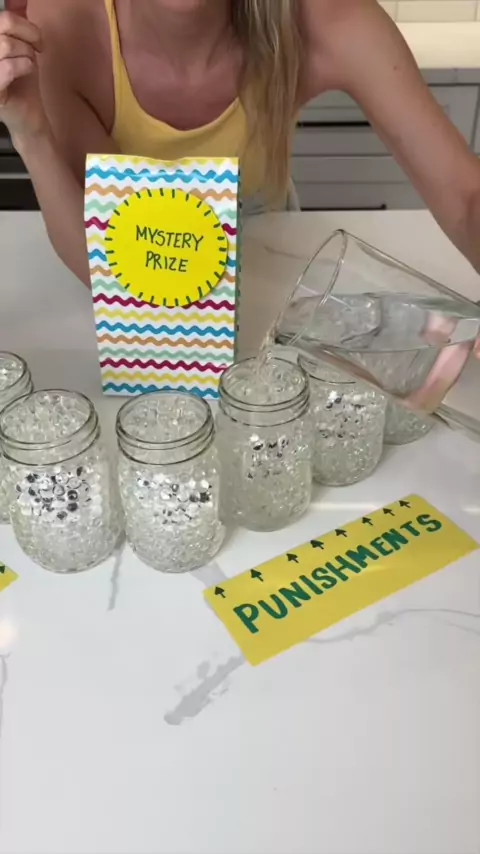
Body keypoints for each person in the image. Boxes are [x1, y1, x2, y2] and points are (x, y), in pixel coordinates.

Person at [1, 0, 480, 288]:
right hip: (132, 261)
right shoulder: (63, 22)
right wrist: (29, 130)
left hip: (268, 249)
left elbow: (465, 195)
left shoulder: (324, 15)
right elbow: (107, 261)